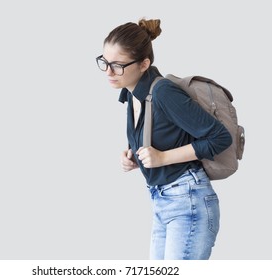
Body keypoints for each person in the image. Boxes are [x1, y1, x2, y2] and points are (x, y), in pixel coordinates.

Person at [95, 18, 232, 260]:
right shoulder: (131, 93)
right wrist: (133, 156)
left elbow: (220, 137)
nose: (108, 71)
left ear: (144, 64)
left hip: (188, 200)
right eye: (104, 62)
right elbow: (163, 134)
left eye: (117, 65)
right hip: (162, 201)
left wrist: (162, 157)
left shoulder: (163, 92)